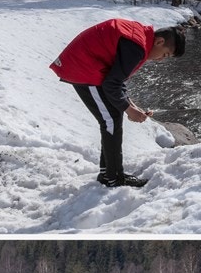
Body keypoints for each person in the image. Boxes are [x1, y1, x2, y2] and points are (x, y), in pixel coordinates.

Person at [49, 20, 186, 189]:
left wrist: (130, 105)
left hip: (89, 66)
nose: (161, 60)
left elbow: (117, 79)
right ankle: (113, 179)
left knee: (112, 117)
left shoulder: (141, 38)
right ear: (160, 42)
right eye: (165, 55)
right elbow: (111, 84)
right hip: (84, 68)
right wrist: (129, 110)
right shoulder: (136, 46)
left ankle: (108, 173)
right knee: (111, 120)